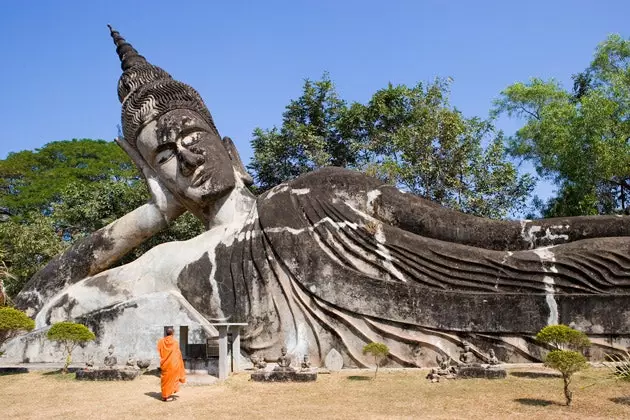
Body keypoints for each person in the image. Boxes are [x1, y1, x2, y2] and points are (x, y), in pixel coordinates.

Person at [8, 25, 630, 368]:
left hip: (484, 289)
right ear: (153, 174)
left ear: (229, 145)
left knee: (550, 269)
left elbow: (489, 235)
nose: (186, 159)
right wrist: (151, 214)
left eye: (191, 138)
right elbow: (31, 310)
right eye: (163, 156)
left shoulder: (321, 189)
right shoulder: (175, 263)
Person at [157, 328, 186, 402]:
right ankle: (166, 396)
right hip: (173, 364)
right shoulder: (175, 342)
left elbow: (160, 351)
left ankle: (165, 395)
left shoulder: (161, 341)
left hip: (165, 364)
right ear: (173, 333)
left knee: (166, 380)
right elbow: (178, 354)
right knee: (173, 379)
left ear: (166, 333)